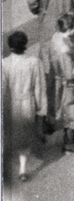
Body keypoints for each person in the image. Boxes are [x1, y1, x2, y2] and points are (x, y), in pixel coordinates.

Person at [2, 30, 48, 181]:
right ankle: (22, 169)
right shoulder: (34, 62)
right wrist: (42, 110)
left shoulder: (4, 63)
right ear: (25, 45)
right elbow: (40, 88)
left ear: (10, 46)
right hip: (27, 103)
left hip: (10, 104)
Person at [48, 11, 74, 154]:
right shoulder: (64, 50)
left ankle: (67, 137)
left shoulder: (57, 37)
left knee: (67, 111)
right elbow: (71, 73)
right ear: (70, 28)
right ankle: (70, 143)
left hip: (60, 82)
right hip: (71, 85)